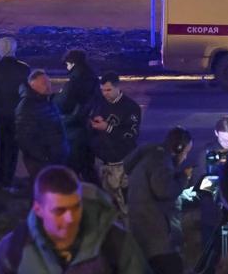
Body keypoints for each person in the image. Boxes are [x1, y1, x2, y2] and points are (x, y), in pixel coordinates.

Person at [0, 165, 149, 273]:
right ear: (38, 209)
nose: (70, 219)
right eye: (59, 211)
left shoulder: (114, 243)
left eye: (76, 207)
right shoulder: (13, 249)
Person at [125, 127, 193, 274]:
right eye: (186, 152)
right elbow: (164, 190)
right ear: (178, 148)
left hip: (146, 239)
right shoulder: (160, 160)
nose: (185, 157)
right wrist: (183, 178)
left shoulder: (149, 158)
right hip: (159, 242)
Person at [0, 36, 31, 189]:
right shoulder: (24, 68)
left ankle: (1, 178)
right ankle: (9, 179)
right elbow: (29, 92)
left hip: (0, 113)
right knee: (13, 147)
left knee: (3, 145)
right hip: (18, 113)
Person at [89, 72, 142, 216]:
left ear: (117, 87)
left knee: (125, 203)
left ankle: (129, 229)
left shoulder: (131, 108)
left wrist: (108, 128)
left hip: (121, 162)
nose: (105, 94)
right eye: (102, 90)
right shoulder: (100, 103)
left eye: (108, 90)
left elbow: (130, 135)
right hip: (103, 161)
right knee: (108, 201)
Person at [54, 48, 100, 182]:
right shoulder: (92, 77)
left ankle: (73, 197)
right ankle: (96, 196)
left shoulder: (74, 81)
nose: (66, 67)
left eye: (67, 64)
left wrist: (53, 98)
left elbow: (63, 102)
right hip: (89, 126)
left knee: (71, 169)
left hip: (75, 126)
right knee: (88, 167)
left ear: (72, 63)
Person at [17, 69, 70, 181]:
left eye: (49, 82)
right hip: (42, 162)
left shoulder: (47, 102)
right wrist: (43, 157)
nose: (49, 85)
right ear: (33, 85)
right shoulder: (27, 106)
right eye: (44, 83)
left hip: (55, 158)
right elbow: (25, 137)